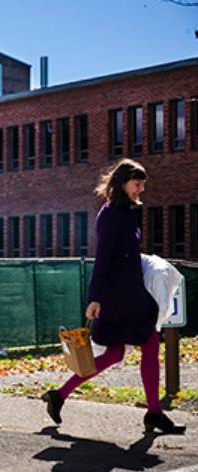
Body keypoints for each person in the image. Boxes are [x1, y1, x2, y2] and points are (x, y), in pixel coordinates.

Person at [41, 159, 185, 435]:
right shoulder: (110, 215)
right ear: (122, 183)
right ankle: (153, 413)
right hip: (119, 296)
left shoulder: (125, 212)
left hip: (129, 292)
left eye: (142, 184)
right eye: (137, 183)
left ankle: (59, 395)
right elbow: (103, 258)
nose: (141, 188)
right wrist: (95, 298)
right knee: (147, 345)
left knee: (118, 353)